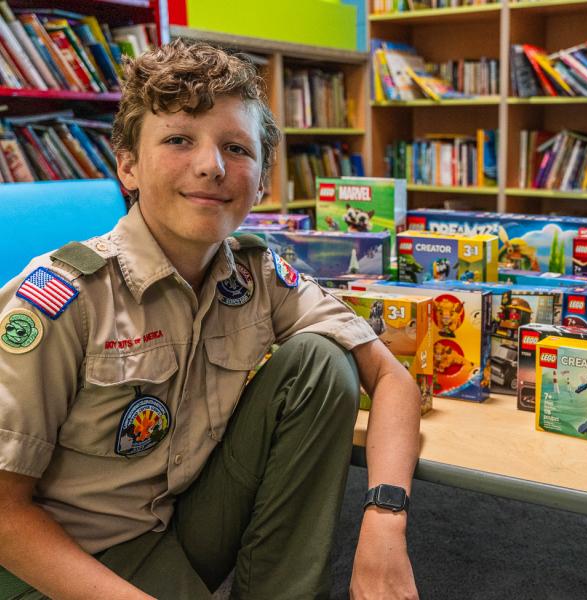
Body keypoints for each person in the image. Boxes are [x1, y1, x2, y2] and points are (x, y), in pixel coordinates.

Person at [0, 41, 420, 599]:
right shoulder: (62, 296)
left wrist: (385, 523)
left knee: (322, 362)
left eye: (237, 148)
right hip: (51, 562)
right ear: (127, 164)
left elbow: (392, 378)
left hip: (172, 525)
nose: (211, 165)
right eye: (178, 139)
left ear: (264, 178)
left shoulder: (256, 273)